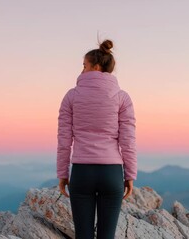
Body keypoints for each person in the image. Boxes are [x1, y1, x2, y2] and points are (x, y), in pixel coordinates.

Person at [56, 38, 137, 239]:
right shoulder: (122, 97)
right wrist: (130, 175)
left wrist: (62, 173)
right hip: (111, 174)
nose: (81, 70)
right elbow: (128, 140)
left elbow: (64, 139)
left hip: (82, 173)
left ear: (96, 67)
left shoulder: (71, 96)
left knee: (83, 236)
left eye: (84, 66)